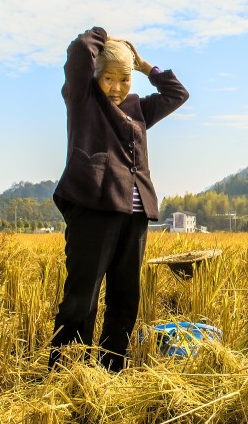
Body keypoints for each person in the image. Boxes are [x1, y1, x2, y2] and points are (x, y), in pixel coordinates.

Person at [49, 26, 189, 371]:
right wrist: (106, 35)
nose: (116, 87)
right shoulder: (83, 100)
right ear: (95, 76)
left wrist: (144, 66)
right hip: (94, 211)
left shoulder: (138, 107)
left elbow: (177, 94)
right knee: (82, 298)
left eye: (124, 80)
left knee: (126, 297)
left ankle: (112, 369)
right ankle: (68, 370)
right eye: (109, 78)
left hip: (135, 216)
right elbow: (81, 48)